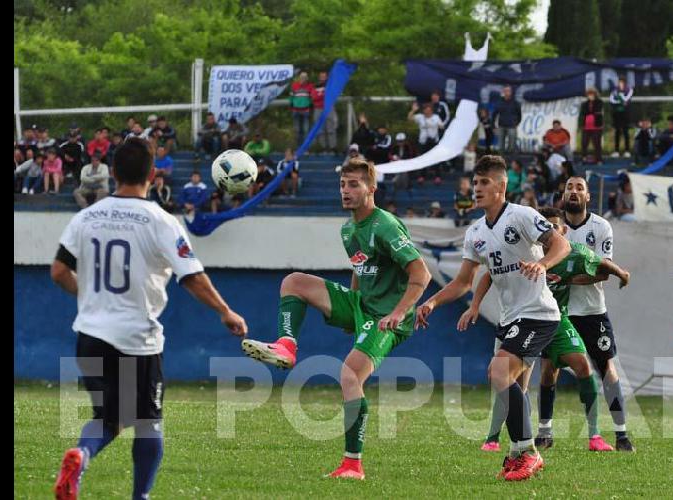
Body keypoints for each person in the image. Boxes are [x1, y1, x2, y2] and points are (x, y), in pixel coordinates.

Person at [50, 137, 248, 500]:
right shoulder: (160, 220)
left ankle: (82, 453)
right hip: (137, 339)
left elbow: (60, 271)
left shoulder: (86, 216)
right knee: (147, 421)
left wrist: (91, 296)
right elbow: (192, 276)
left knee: (109, 417)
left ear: (112, 172)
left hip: (89, 335)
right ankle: (139, 496)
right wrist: (225, 311)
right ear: (152, 173)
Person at [239, 157, 432, 480]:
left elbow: (421, 274)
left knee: (348, 377)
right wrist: (353, 310)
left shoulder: (384, 226)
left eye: (354, 184)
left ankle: (353, 465)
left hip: (388, 316)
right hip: (363, 307)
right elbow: (360, 270)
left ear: (371, 188)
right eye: (342, 184)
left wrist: (399, 313)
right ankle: (286, 346)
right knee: (294, 282)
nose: (345, 190)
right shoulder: (348, 229)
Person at [415, 154, 571, 481]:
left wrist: (543, 265)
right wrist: (432, 302)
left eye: (484, 183)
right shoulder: (474, 233)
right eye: (475, 183)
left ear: (501, 187)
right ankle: (517, 452)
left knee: (499, 371)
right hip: (512, 317)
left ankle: (528, 452)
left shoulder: (522, 216)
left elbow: (561, 246)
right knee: (503, 378)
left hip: (539, 313)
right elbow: (461, 283)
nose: (477, 188)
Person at [462, 206, 630, 453]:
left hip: (556, 319)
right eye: (545, 226)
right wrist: (474, 304)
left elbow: (602, 263)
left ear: (562, 231)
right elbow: (488, 275)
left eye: (553, 227)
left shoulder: (572, 253)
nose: (548, 231)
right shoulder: (524, 250)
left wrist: (622, 274)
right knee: (515, 379)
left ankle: (594, 435)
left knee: (582, 365)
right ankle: (499, 437)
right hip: (523, 319)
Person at [560, 175, 636, 452]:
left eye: (580, 188)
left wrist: (567, 277)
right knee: (547, 370)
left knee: (606, 368)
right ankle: (543, 432)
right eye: (569, 187)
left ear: (588, 196)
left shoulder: (601, 226)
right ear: (563, 193)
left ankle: (621, 433)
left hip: (592, 310)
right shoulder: (552, 228)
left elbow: (604, 271)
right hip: (559, 309)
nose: (574, 191)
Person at [312, 71, 339, 154]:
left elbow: (332, 95)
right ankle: (323, 148)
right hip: (318, 109)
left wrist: (321, 94)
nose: (323, 78)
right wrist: (323, 94)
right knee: (320, 129)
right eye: (321, 76)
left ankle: (332, 147)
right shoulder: (316, 86)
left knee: (331, 128)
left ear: (327, 77)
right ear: (319, 77)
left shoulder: (330, 85)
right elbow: (314, 97)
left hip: (329, 108)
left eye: (324, 76)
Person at [609, 77, 634, 158]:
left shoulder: (629, 90)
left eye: (622, 82)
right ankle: (616, 151)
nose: (620, 84)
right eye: (619, 82)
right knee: (617, 131)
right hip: (617, 113)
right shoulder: (614, 90)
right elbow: (612, 100)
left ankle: (627, 151)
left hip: (625, 113)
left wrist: (620, 96)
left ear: (625, 83)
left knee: (625, 131)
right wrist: (619, 100)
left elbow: (626, 100)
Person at [493, 86, 521, 153]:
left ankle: (509, 159)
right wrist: (493, 126)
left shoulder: (515, 103)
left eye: (508, 91)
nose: (507, 92)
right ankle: (501, 160)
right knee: (500, 146)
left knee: (512, 146)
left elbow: (519, 114)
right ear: (503, 92)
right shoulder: (499, 102)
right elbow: (494, 114)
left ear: (511, 92)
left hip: (512, 126)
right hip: (501, 126)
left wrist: (516, 123)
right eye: (505, 91)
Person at [580, 88, 604, 164]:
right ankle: (583, 158)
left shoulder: (599, 102)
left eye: (592, 94)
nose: (590, 96)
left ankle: (599, 159)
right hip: (586, 126)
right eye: (589, 94)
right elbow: (584, 112)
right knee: (584, 143)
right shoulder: (584, 103)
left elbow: (597, 110)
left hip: (596, 126)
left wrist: (591, 111)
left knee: (597, 143)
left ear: (595, 94)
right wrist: (591, 112)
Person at [290, 72, 315, 145]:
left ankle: (305, 147)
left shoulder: (310, 86)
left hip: (306, 110)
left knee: (306, 130)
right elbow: (291, 97)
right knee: (297, 130)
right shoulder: (294, 86)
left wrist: (309, 105)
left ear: (307, 79)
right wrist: (292, 106)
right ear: (299, 78)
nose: (303, 79)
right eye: (301, 77)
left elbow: (312, 97)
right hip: (296, 110)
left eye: (304, 77)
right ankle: (298, 146)